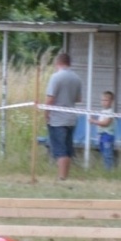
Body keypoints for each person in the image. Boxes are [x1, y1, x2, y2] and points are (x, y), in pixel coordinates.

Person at [43, 52, 82, 181]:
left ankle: (61, 176)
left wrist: (46, 114)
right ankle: (65, 175)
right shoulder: (76, 78)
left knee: (60, 149)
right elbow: (78, 99)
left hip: (57, 119)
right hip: (71, 118)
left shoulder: (55, 77)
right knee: (68, 148)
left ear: (57, 63)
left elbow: (50, 98)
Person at [94, 90, 117, 171]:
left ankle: (109, 170)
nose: (104, 102)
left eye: (106, 100)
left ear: (111, 101)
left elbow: (106, 123)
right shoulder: (102, 112)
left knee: (108, 154)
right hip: (101, 135)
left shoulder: (110, 112)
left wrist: (94, 121)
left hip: (108, 135)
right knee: (103, 153)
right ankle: (106, 168)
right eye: (102, 100)